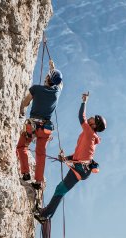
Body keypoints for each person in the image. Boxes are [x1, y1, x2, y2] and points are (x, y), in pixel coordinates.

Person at [34, 92, 107, 222]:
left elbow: (81, 117)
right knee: (60, 189)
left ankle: (45, 215)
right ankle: (46, 213)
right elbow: (77, 155)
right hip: (81, 168)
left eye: (93, 118)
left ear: (94, 125)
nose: (91, 117)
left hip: (80, 169)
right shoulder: (88, 135)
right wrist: (65, 158)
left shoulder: (90, 133)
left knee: (60, 189)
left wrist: (84, 101)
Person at [16, 59, 63, 190]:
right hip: (45, 129)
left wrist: (20, 110)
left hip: (32, 126)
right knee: (40, 154)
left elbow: (25, 103)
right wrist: (53, 68)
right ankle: (38, 181)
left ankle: (25, 173)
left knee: (21, 147)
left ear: (47, 78)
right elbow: (60, 84)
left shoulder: (36, 89)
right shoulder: (56, 93)